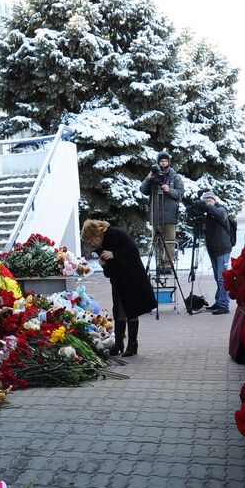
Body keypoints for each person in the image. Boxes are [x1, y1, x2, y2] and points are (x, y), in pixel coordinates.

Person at [81, 218, 157, 357]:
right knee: (119, 312)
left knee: (131, 310)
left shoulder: (116, 233)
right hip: (118, 282)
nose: (92, 244)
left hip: (132, 278)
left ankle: (132, 344)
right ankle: (118, 344)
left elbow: (133, 250)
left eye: (92, 240)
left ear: (97, 233)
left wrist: (114, 254)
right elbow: (109, 272)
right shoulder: (101, 247)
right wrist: (104, 265)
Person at [140, 151, 185, 277]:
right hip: (156, 215)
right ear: (158, 162)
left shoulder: (175, 177)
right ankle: (159, 264)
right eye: (161, 161)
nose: (163, 163)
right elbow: (143, 190)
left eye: (165, 161)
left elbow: (180, 194)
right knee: (157, 242)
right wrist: (148, 179)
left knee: (170, 242)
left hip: (170, 216)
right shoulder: (153, 176)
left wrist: (169, 190)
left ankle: (167, 266)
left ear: (169, 162)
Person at [189, 193, 234, 314]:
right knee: (217, 277)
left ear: (214, 200)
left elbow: (220, 215)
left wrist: (208, 206)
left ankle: (224, 305)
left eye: (210, 200)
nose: (208, 202)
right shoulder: (207, 215)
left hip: (223, 248)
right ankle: (219, 302)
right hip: (213, 249)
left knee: (222, 278)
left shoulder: (221, 209)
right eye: (206, 200)